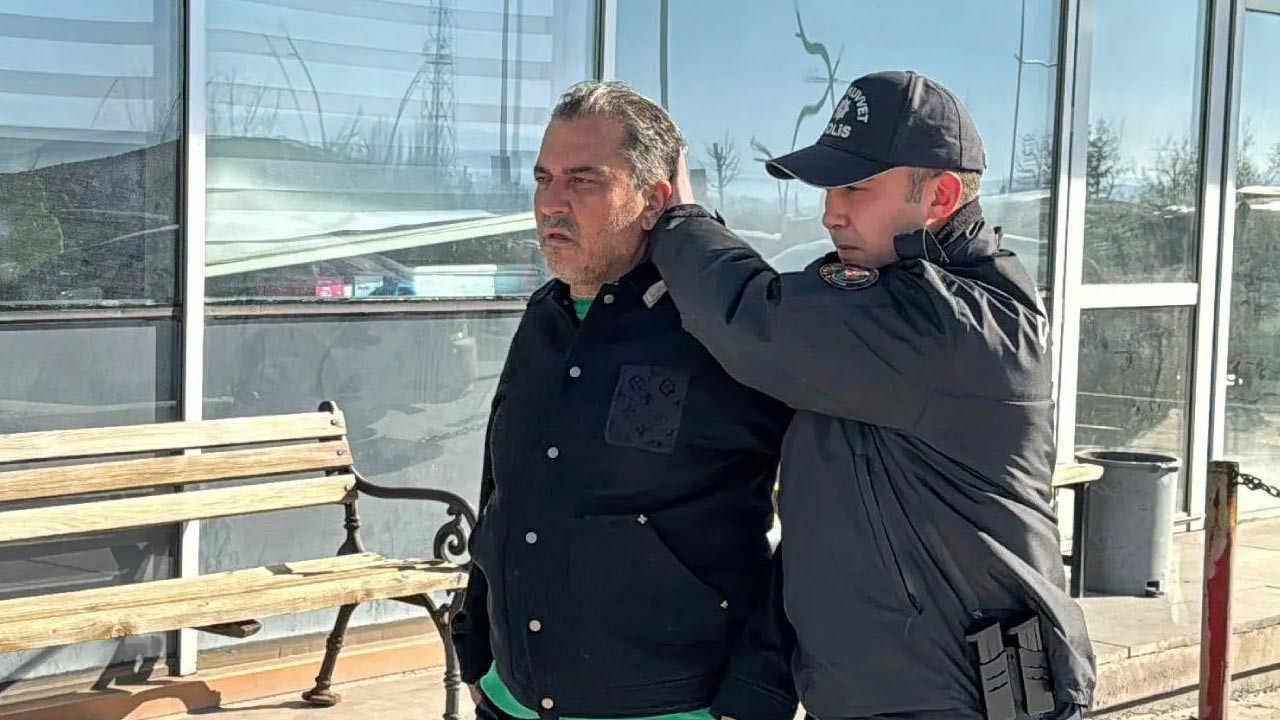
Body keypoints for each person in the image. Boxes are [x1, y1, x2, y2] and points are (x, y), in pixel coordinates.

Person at [649, 70, 1096, 720]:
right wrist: (762, 681)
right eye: (829, 188)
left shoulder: (958, 323)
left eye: (856, 187)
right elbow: (832, 526)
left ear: (942, 194)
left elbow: (751, 317)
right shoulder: (875, 310)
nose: (831, 211)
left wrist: (678, 221)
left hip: (969, 703)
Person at [449, 81, 794, 720]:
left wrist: (762, 687)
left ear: (653, 200)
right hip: (509, 697)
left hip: (672, 703)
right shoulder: (544, 314)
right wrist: (474, 641)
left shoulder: (721, 327)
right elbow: (505, 487)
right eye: (543, 178)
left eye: (583, 180)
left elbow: (817, 522)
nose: (552, 203)